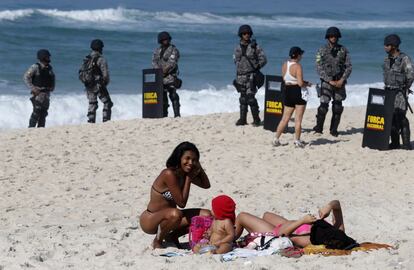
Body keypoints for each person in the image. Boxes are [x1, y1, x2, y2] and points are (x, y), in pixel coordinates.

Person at [139, 142, 211, 249]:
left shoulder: (185, 174)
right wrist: (189, 179)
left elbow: (206, 185)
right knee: (176, 214)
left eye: (194, 160)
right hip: (151, 220)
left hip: (172, 219)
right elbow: (181, 203)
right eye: (187, 158)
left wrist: (198, 166)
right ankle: (157, 241)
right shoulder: (169, 174)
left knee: (207, 215)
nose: (190, 162)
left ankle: (171, 236)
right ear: (179, 158)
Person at [235, 200, 346, 248]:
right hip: (286, 224)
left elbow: (283, 236)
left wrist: (302, 221)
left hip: (274, 233)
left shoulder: (310, 240)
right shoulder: (338, 232)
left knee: (242, 216)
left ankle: (230, 238)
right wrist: (329, 206)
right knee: (266, 215)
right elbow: (337, 204)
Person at [313, 27, 352, 137]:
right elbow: (318, 67)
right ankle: (319, 128)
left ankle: (334, 130)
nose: (333, 38)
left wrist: (341, 80)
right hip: (327, 82)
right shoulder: (322, 50)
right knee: (323, 106)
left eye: (335, 36)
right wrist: (329, 80)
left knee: (337, 107)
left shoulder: (343, 50)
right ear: (327, 37)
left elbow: (348, 67)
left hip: (339, 82)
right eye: (331, 36)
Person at [272, 47, 311, 148]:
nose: (301, 56)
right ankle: (297, 141)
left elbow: (285, 79)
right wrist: (307, 84)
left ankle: (276, 139)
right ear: (297, 55)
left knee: (284, 119)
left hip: (288, 91)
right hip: (297, 92)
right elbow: (300, 83)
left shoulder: (285, 64)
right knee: (298, 119)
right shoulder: (298, 66)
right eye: (301, 54)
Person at [383, 34, 414, 150]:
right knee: (390, 117)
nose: (385, 47)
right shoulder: (387, 60)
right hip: (388, 92)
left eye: (387, 45)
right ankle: (395, 143)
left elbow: (411, 75)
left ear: (394, 46)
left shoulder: (404, 59)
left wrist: (405, 87)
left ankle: (406, 144)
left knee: (401, 117)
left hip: (400, 93)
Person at [233, 24, 267, 126]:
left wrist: (256, 67)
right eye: (244, 33)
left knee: (251, 98)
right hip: (240, 76)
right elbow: (235, 61)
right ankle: (242, 119)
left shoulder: (255, 47)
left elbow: (264, 59)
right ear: (241, 35)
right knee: (243, 98)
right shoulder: (237, 48)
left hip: (251, 76)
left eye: (248, 33)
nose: (246, 35)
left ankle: (256, 120)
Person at [152, 31, 181, 117]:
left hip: (170, 76)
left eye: (167, 39)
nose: (166, 41)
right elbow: (154, 61)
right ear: (160, 40)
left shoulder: (173, 50)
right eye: (164, 39)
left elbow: (173, 62)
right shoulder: (157, 50)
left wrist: (164, 71)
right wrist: (158, 71)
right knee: (162, 97)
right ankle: (164, 115)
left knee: (173, 95)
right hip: (160, 76)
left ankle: (177, 114)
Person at [24, 49, 55, 128]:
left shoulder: (49, 68)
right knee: (36, 112)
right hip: (38, 94)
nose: (49, 58)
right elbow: (26, 77)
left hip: (46, 94)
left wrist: (52, 87)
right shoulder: (35, 67)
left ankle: (41, 129)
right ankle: (31, 128)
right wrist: (33, 88)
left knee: (44, 113)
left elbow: (53, 77)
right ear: (43, 57)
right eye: (47, 57)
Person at [84, 39, 113, 123]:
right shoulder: (101, 59)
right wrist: (104, 84)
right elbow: (105, 74)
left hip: (88, 86)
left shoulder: (86, 59)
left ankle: (91, 121)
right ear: (100, 48)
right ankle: (106, 121)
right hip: (98, 85)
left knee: (92, 103)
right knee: (108, 103)